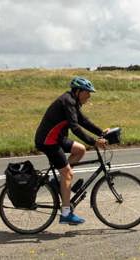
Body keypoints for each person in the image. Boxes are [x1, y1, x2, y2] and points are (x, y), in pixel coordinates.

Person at [35, 76, 109, 225]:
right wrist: (94, 142)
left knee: (80, 150)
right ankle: (66, 214)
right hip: (48, 141)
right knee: (68, 173)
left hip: (58, 138)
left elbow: (84, 121)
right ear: (78, 91)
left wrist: (101, 133)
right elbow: (75, 128)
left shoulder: (73, 101)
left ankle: (60, 183)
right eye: (87, 92)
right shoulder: (67, 101)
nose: (89, 96)